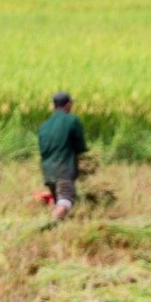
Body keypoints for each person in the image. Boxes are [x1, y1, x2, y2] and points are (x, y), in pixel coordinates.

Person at [37, 91, 87, 220]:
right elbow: (81, 147)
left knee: (59, 202)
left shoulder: (44, 126)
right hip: (63, 169)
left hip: (48, 171)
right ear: (68, 104)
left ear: (54, 106)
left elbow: (42, 150)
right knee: (66, 200)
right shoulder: (72, 120)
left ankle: (55, 229)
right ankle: (47, 225)